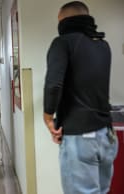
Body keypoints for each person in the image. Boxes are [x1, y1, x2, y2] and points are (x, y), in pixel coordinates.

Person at [43, 1, 118, 194]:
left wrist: (48, 118)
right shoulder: (103, 45)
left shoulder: (62, 42)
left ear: (65, 21)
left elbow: (54, 85)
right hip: (107, 135)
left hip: (81, 138)